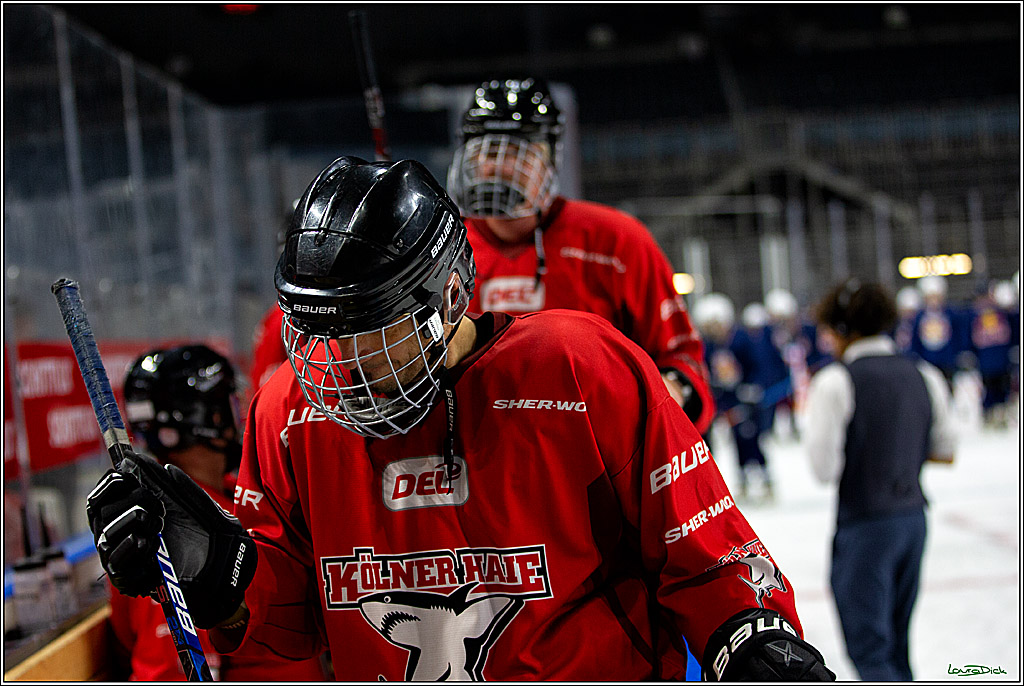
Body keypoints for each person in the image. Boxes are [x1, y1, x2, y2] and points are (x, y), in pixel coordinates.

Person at [85, 157, 834, 682]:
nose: (332, 365)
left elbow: (701, 545)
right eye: (313, 332)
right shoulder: (288, 410)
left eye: (363, 332)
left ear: (447, 299)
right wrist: (224, 576)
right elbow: (291, 623)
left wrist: (748, 632)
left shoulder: (578, 368)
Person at [447, 78, 715, 435]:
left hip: (596, 454)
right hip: (484, 463)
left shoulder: (617, 242)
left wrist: (669, 391)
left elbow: (682, 360)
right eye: (486, 151)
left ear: (551, 159)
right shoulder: (440, 251)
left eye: (516, 152)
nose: (499, 167)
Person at [105, 344, 326, 680]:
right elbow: (172, 670)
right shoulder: (175, 533)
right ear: (212, 418)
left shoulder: (236, 498)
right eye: (229, 404)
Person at [803, 279, 957, 681]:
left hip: (866, 523)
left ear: (841, 330)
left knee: (871, 652)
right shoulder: (923, 373)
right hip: (913, 519)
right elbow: (946, 447)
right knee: (897, 646)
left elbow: (823, 469)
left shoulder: (836, 381)